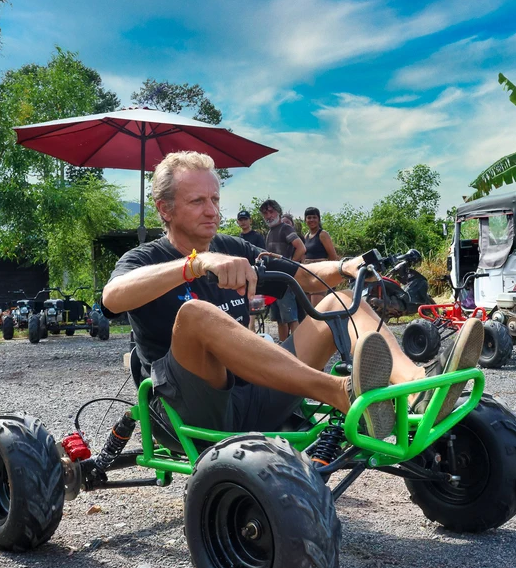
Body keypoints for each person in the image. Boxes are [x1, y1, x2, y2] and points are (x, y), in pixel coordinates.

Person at [101, 151, 484, 439]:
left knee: (339, 301)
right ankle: (342, 393)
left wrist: (345, 267)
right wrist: (195, 264)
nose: (212, 211)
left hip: (255, 393)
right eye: (197, 201)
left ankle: (418, 391)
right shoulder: (144, 259)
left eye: (215, 200)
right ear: (165, 209)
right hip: (189, 412)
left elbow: (299, 275)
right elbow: (112, 298)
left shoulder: (233, 247)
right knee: (195, 313)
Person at [260, 199, 305, 340]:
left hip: (285, 280)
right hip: (274, 280)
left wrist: (290, 266)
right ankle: (283, 347)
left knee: (291, 317)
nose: (269, 215)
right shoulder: (270, 232)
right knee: (279, 318)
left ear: (278, 212)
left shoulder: (285, 228)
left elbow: (301, 248)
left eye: (271, 211)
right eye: (265, 213)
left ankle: (298, 348)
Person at [302, 207, 338, 304]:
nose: (312, 220)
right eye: (309, 217)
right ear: (305, 220)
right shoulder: (306, 236)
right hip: (307, 274)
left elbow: (333, 256)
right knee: (308, 308)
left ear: (319, 219)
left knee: (317, 308)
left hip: (319, 275)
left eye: (314, 217)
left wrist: (327, 273)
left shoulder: (323, 234)